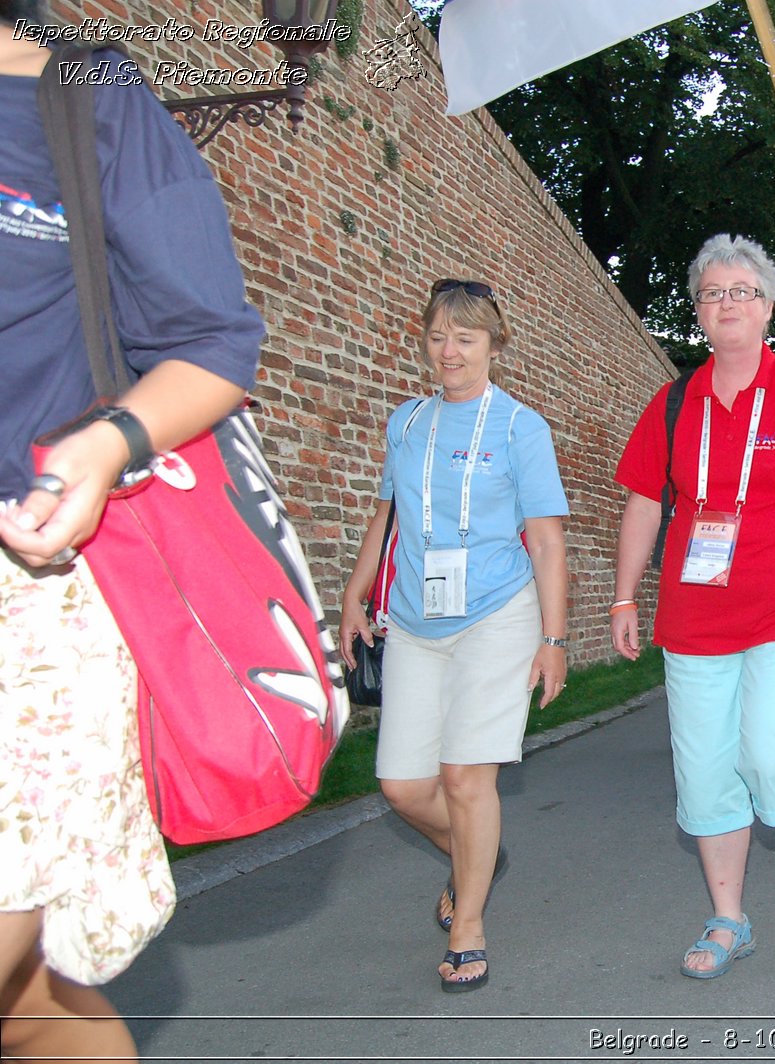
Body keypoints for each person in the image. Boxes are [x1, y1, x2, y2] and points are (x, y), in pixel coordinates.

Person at [0, 14, 264, 1057]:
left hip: (30, 580)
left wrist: (108, 446)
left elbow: (214, 340)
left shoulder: (82, 91)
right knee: (24, 1015)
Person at [611, 235, 775, 978]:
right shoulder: (673, 402)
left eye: (741, 291)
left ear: (766, 307)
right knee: (704, 776)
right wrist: (625, 595)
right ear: (697, 312)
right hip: (695, 621)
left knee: (768, 753)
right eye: (711, 293)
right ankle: (729, 919)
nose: (726, 304)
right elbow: (642, 502)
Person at [339, 279, 571, 993]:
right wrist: (353, 595)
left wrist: (554, 639)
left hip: (497, 616)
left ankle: (468, 925)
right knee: (404, 785)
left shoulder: (518, 427)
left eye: (465, 338)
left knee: (467, 777)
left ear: (492, 344)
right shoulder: (406, 423)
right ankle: (479, 853)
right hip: (412, 621)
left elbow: (548, 540)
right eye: (438, 335)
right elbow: (387, 517)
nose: (449, 351)